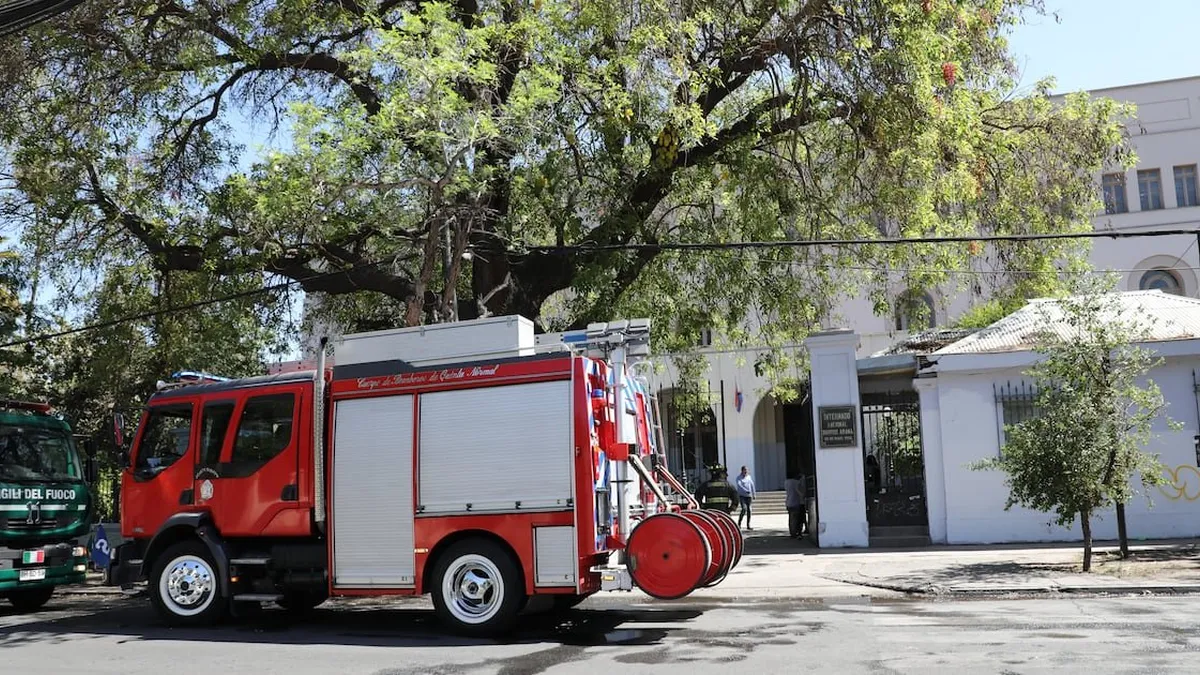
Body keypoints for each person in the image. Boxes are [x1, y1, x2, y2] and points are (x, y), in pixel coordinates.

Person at [785, 471, 807, 538]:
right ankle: (795, 532)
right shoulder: (796, 482)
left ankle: (792, 532)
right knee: (796, 519)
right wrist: (803, 495)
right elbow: (799, 492)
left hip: (788, 502)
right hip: (795, 502)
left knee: (791, 518)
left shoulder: (786, 482)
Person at [735, 465, 756, 530]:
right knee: (744, 509)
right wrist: (746, 490)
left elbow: (752, 485)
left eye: (747, 470)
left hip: (749, 496)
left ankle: (748, 525)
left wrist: (754, 493)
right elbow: (739, 485)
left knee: (749, 510)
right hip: (742, 496)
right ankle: (739, 523)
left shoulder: (749, 477)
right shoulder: (739, 478)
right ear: (742, 470)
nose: (746, 471)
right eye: (745, 470)